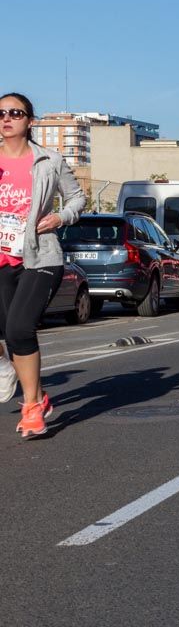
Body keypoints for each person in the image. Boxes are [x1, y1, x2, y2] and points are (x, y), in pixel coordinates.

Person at [0, 92, 86, 437]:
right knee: (8, 331)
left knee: (20, 328)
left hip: (40, 256)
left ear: (30, 121)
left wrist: (60, 217)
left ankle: (32, 406)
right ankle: (18, 377)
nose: (7, 118)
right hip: (2, 257)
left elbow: (78, 197)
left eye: (15, 113)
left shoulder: (49, 160)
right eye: (1, 113)